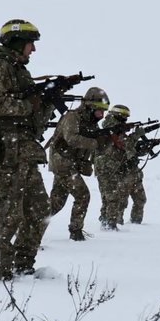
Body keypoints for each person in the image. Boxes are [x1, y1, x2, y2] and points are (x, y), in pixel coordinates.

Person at [0, 19, 54, 281]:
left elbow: (32, 119)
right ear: (18, 42)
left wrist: (48, 101)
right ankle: (0, 267)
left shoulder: (18, 69)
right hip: (7, 153)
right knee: (5, 212)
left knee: (40, 209)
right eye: (31, 43)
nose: (33, 50)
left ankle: (23, 262)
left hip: (25, 152)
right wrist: (30, 104)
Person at [47, 87, 112, 240]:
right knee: (83, 195)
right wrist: (96, 143)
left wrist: (108, 141)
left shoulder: (92, 125)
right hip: (63, 163)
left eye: (104, 111)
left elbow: (97, 149)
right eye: (100, 110)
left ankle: (29, 229)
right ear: (90, 106)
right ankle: (75, 232)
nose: (102, 115)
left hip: (68, 164)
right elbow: (72, 139)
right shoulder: (73, 117)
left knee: (55, 203)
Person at [94, 104, 147, 229]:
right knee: (112, 197)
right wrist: (136, 135)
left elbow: (126, 147)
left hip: (111, 167)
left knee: (109, 197)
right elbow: (124, 144)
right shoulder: (110, 129)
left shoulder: (113, 129)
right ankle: (109, 225)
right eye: (124, 118)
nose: (126, 120)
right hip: (107, 167)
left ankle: (107, 222)